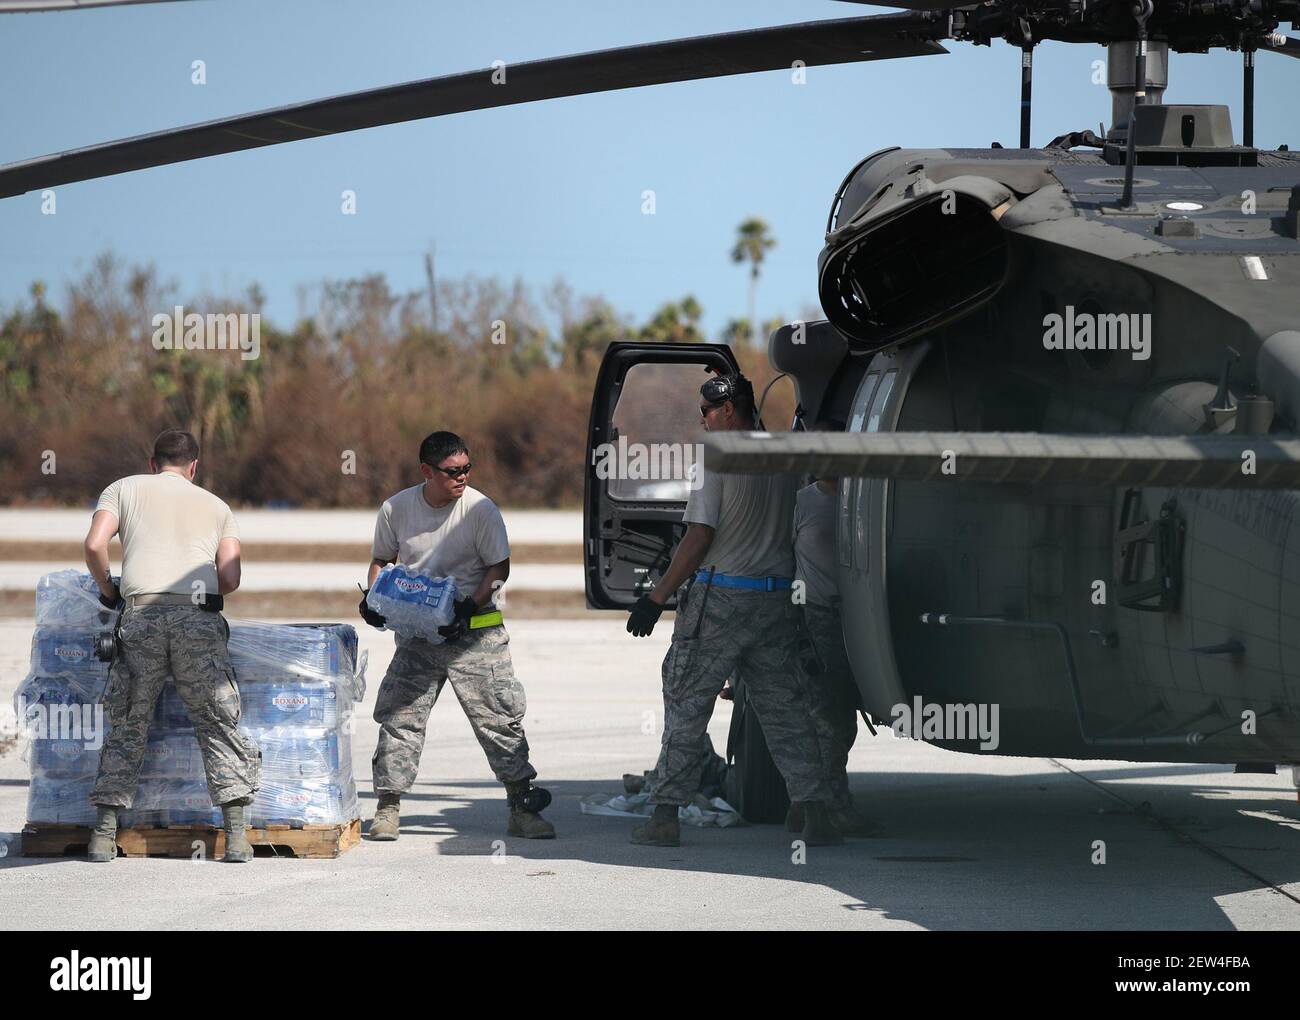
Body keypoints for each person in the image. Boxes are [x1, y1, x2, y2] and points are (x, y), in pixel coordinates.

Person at [624, 372, 840, 848]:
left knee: (685, 704)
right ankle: (815, 813)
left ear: (726, 410)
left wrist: (655, 597)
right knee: (787, 710)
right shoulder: (782, 457)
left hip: (720, 599)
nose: (700, 420)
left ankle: (664, 816)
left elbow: (698, 537)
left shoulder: (715, 458)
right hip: (775, 600)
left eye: (704, 412)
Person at [360, 430, 554, 840]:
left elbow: (499, 569)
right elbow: (382, 559)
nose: (462, 478)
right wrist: (374, 598)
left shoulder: (481, 510)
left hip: (475, 637)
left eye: (467, 469)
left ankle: (521, 808)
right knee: (398, 719)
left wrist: (468, 607)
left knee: (500, 721)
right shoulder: (397, 508)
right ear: (427, 471)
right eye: (452, 472)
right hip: (419, 637)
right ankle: (388, 808)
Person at [84, 428, 260, 863]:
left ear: (152, 462)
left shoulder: (122, 489)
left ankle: (103, 837)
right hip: (196, 619)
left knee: (128, 722)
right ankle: (236, 838)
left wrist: (110, 590)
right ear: (194, 467)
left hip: (139, 616)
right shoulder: (217, 506)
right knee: (216, 721)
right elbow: (232, 578)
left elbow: (93, 544)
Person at [789, 459, 881, 837]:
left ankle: (805, 806)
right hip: (815, 618)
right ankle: (830, 808)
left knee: (835, 717)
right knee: (831, 719)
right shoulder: (802, 503)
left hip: (852, 619)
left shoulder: (860, 501)